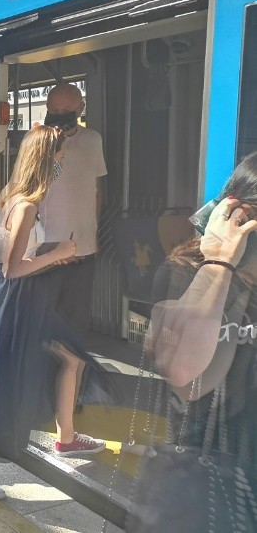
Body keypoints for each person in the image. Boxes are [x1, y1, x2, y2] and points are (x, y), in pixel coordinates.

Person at [0, 126, 109, 500]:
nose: (61, 163)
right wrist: (59, 253)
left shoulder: (13, 195)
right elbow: (12, 268)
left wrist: (48, 251)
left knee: (71, 358)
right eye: (58, 158)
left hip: (19, 298)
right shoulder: (26, 206)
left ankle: (66, 437)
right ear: (45, 160)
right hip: (14, 300)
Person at [131, 153, 257, 532]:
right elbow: (184, 373)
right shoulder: (187, 274)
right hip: (215, 482)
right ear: (240, 219)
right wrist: (220, 264)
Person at [38, 82, 107, 336]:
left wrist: (93, 233)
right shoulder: (36, 142)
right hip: (43, 246)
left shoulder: (93, 140)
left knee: (76, 320)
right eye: (54, 109)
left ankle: (73, 369)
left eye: (66, 109)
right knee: (44, 316)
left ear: (81, 108)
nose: (59, 114)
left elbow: (96, 190)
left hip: (83, 245)